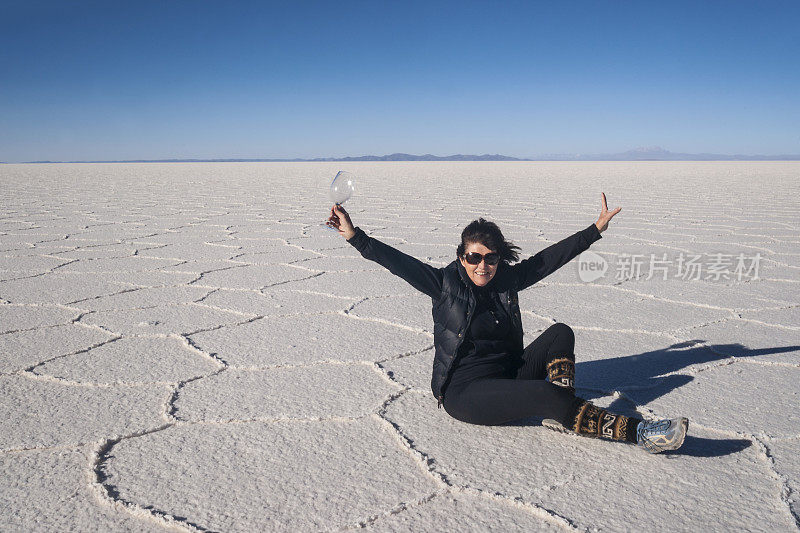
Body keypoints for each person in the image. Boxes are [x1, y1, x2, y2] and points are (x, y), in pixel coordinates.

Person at [326, 193, 688, 453]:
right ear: (461, 256)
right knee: (548, 395)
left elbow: (548, 261)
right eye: (473, 257)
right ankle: (640, 433)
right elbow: (396, 261)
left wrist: (594, 230)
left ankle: (561, 408)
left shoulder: (506, 281)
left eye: (490, 258)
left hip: (510, 373)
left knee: (561, 332)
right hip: (466, 393)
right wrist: (355, 236)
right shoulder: (443, 284)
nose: (482, 265)